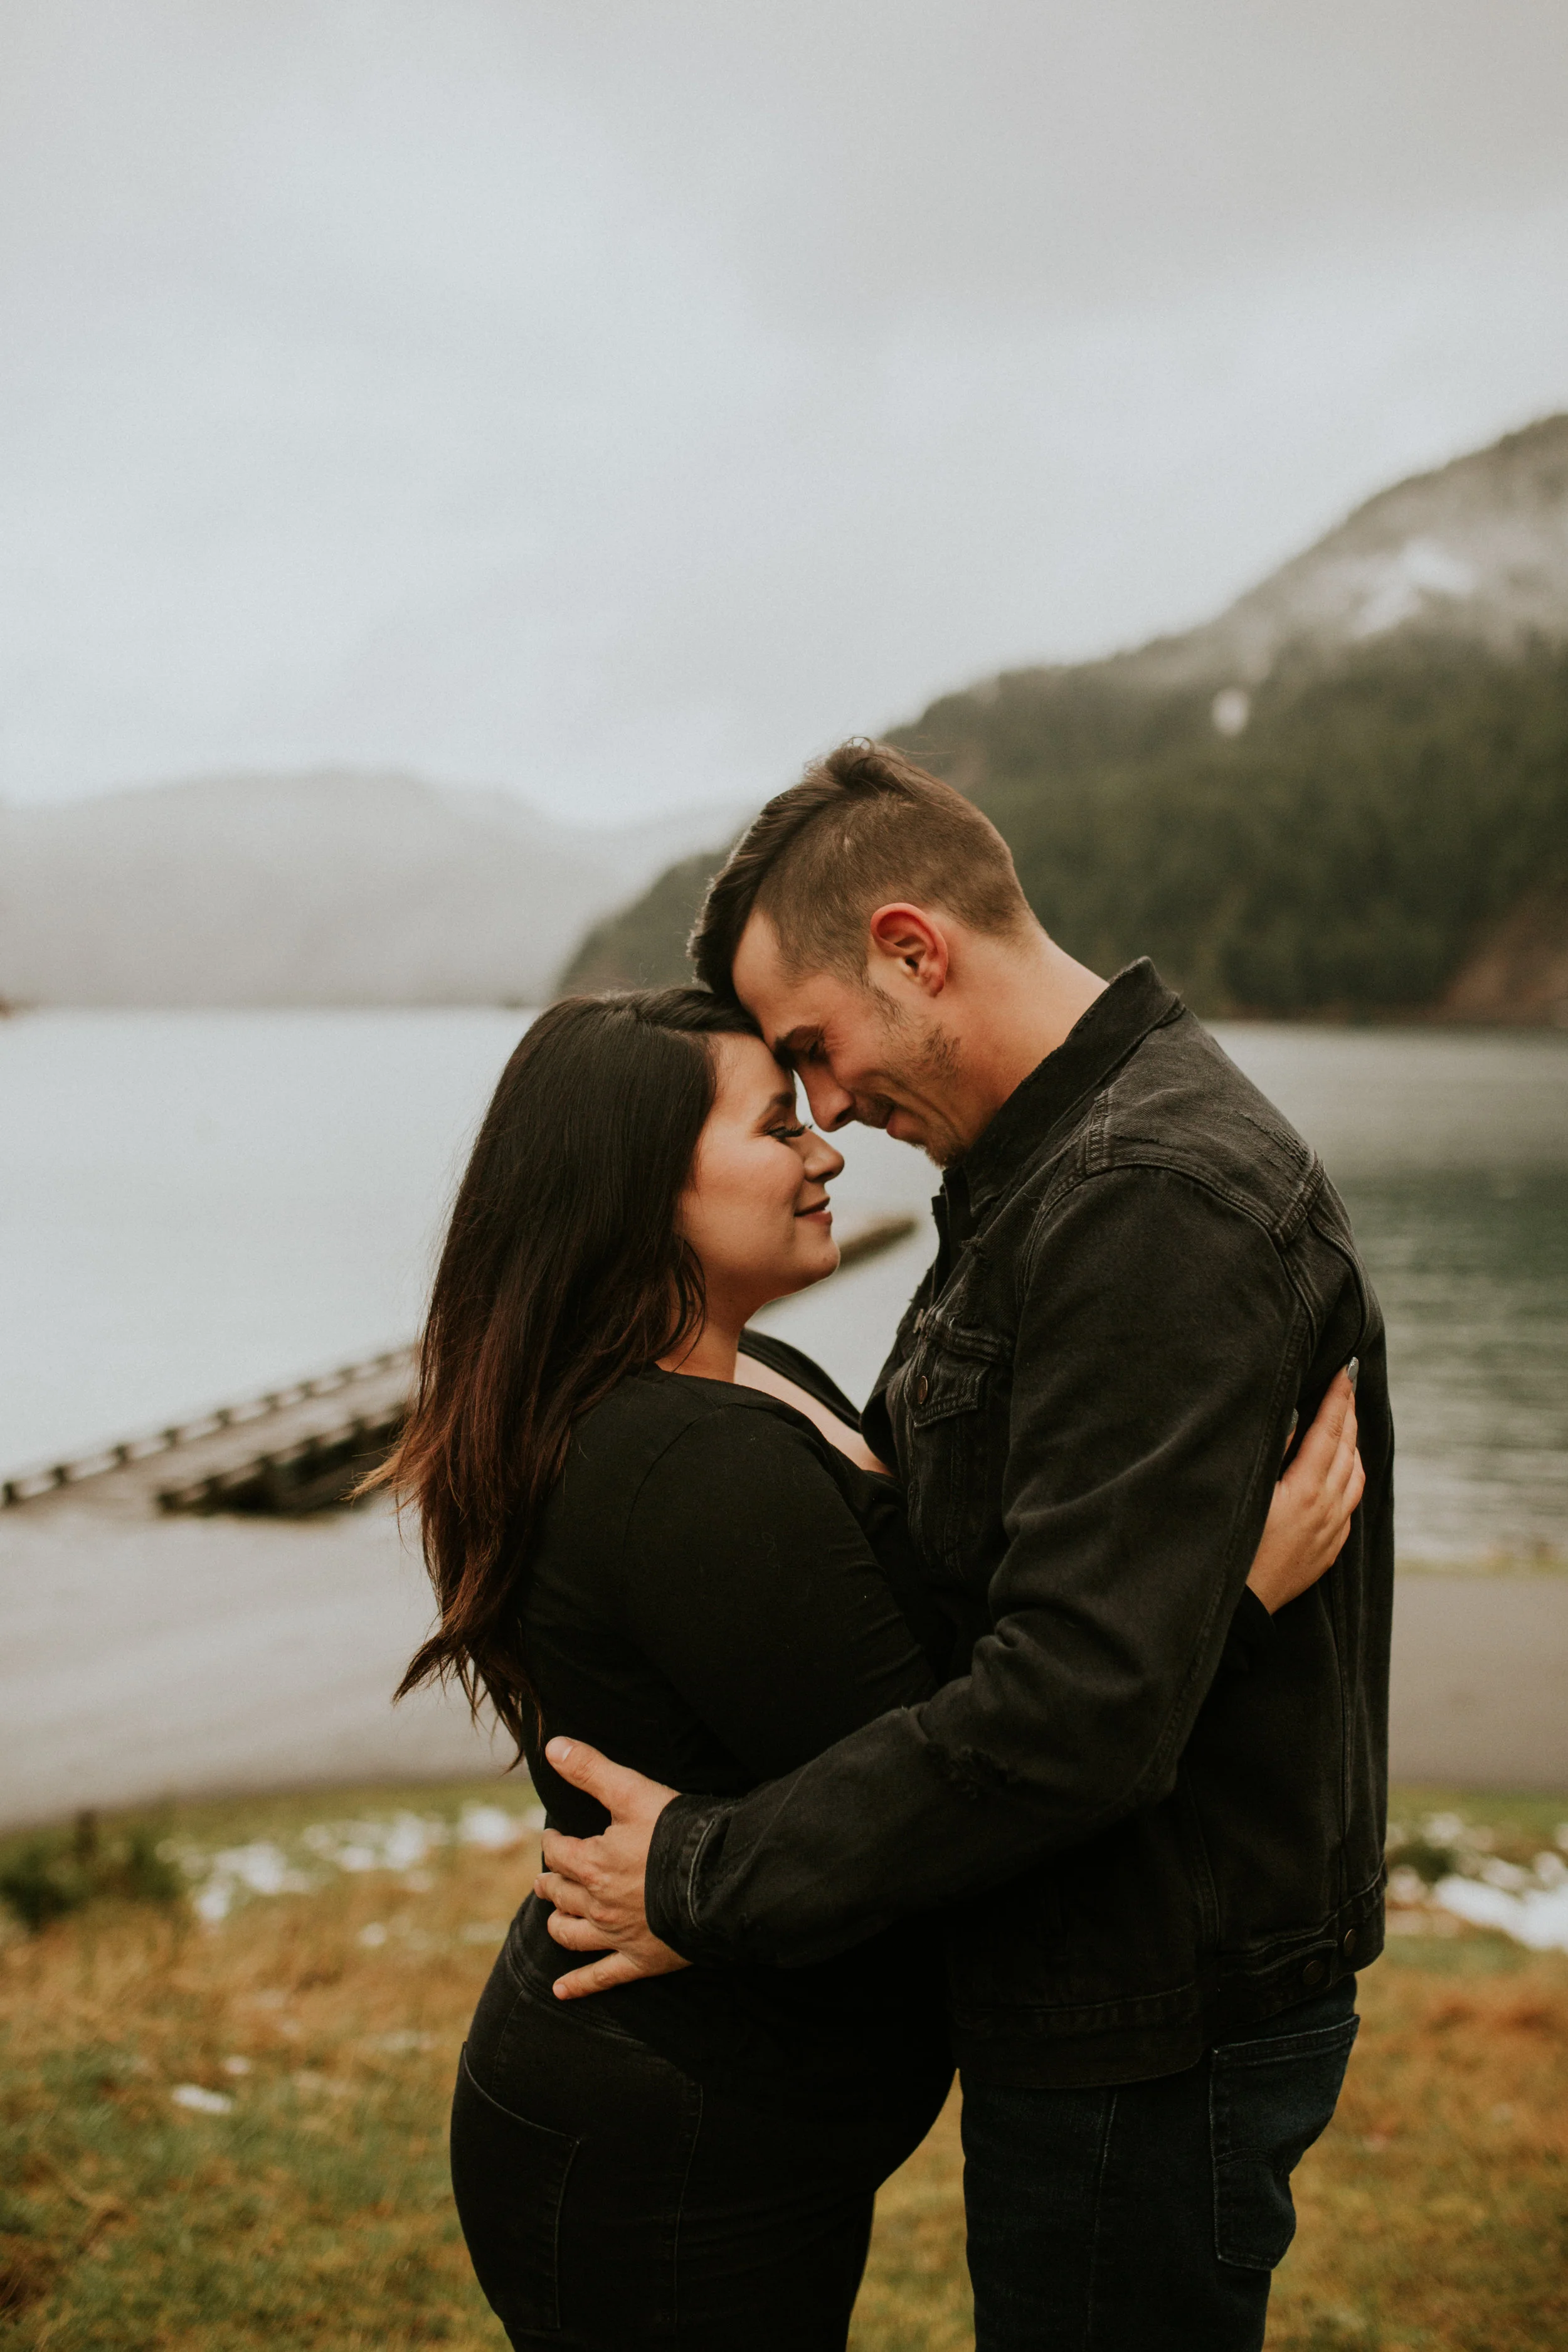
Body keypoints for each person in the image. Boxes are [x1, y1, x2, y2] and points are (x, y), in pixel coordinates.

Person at [534, 740, 1392, 2352]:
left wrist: (700, 1876)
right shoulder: (1041, 1171)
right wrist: (1221, 1601)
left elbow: (1071, 1703)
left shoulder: (1143, 1196)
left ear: (911, 950)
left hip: (1151, 2009)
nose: (827, 1113)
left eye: (813, 1048)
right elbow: (974, 1595)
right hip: (1108, 1979)